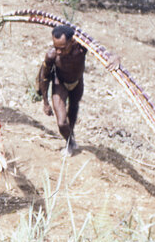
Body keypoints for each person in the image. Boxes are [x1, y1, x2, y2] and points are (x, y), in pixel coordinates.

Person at [36, 24, 119, 155]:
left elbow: (103, 52)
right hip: (60, 83)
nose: (58, 52)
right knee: (62, 123)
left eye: (62, 49)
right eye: (56, 47)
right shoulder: (52, 55)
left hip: (77, 83)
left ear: (72, 42)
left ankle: (71, 137)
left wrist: (114, 57)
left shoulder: (81, 48)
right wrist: (45, 102)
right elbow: (44, 77)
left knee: (73, 110)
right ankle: (69, 140)